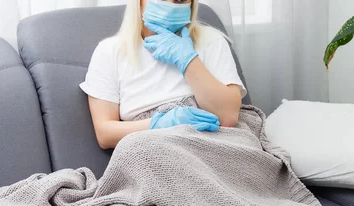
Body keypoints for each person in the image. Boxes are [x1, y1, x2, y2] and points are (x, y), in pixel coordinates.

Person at [79, 0, 247, 149]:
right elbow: (105, 135)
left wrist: (188, 60)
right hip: (151, 147)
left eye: (181, 0)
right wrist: (158, 124)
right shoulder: (110, 51)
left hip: (212, 143)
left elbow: (228, 117)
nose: (173, 3)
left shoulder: (211, 41)